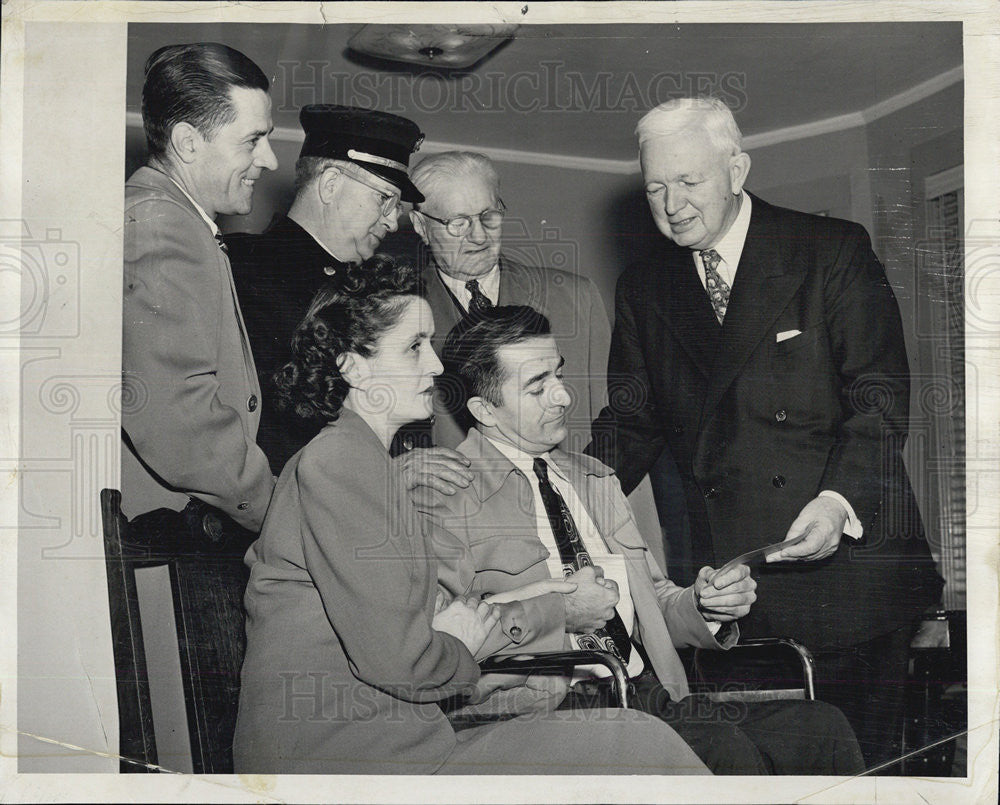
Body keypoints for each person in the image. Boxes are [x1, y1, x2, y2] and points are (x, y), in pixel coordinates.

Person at [233, 256, 708, 775]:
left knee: (634, 738)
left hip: (396, 744)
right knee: (633, 743)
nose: (436, 368)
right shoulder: (340, 462)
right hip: (351, 760)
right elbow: (410, 664)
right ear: (353, 367)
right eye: (414, 348)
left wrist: (511, 613)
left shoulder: (362, 461)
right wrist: (466, 635)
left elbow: (412, 627)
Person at [586, 97, 944, 768]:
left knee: (858, 774)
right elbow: (630, 422)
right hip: (739, 587)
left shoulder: (829, 251)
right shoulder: (645, 286)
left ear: (736, 168)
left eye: (689, 182)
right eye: (656, 187)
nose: (672, 204)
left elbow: (880, 398)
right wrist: (550, 486)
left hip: (853, 581)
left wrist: (837, 502)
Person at [419, 305, 864, 775]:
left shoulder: (594, 480)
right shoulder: (442, 500)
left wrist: (704, 605)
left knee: (821, 729)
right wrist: (558, 614)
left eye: (558, 375)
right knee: (721, 748)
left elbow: (651, 606)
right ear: (483, 409)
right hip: (545, 714)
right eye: (537, 386)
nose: (564, 396)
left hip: (649, 694)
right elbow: (435, 650)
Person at [122, 42, 279, 542]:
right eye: (252, 141)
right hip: (169, 533)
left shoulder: (177, 219)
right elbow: (178, 415)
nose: (270, 160)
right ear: (188, 142)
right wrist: (279, 515)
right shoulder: (163, 223)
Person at [227, 105, 427, 475]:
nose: (391, 220)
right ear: (330, 184)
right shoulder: (241, 266)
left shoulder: (375, 290)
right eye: (385, 198)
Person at [405, 151, 611, 451]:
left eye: (488, 216)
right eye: (458, 223)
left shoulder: (576, 297)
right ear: (421, 225)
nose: (479, 236)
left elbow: (617, 426)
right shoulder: (397, 310)